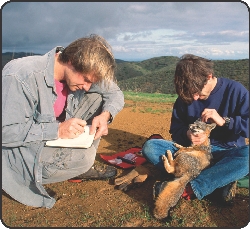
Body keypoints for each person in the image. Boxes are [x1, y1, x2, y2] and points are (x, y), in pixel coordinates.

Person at [2, 34, 124, 208]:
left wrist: (106, 115)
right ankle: (18, 178)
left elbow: (115, 93)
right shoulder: (21, 76)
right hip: (19, 151)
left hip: (51, 135)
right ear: (72, 61)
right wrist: (57, 130)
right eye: (87, 80)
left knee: (98, 97)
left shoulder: (79, 73)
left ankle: (74, 167)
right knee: (85, 158)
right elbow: (5, 132)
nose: (87, 87)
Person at [142, 54, 249, 205]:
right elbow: (175, 130)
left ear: (209, 76)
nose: (195, 98)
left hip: (226, 153)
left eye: (198, 92)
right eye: (191, 93)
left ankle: (189, 188)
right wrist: (187, 134)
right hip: (193, 155)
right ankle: (216, 183)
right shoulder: (186, 96)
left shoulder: (237, 91)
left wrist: (225, 121)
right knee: (151, 147)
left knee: (248, 157)